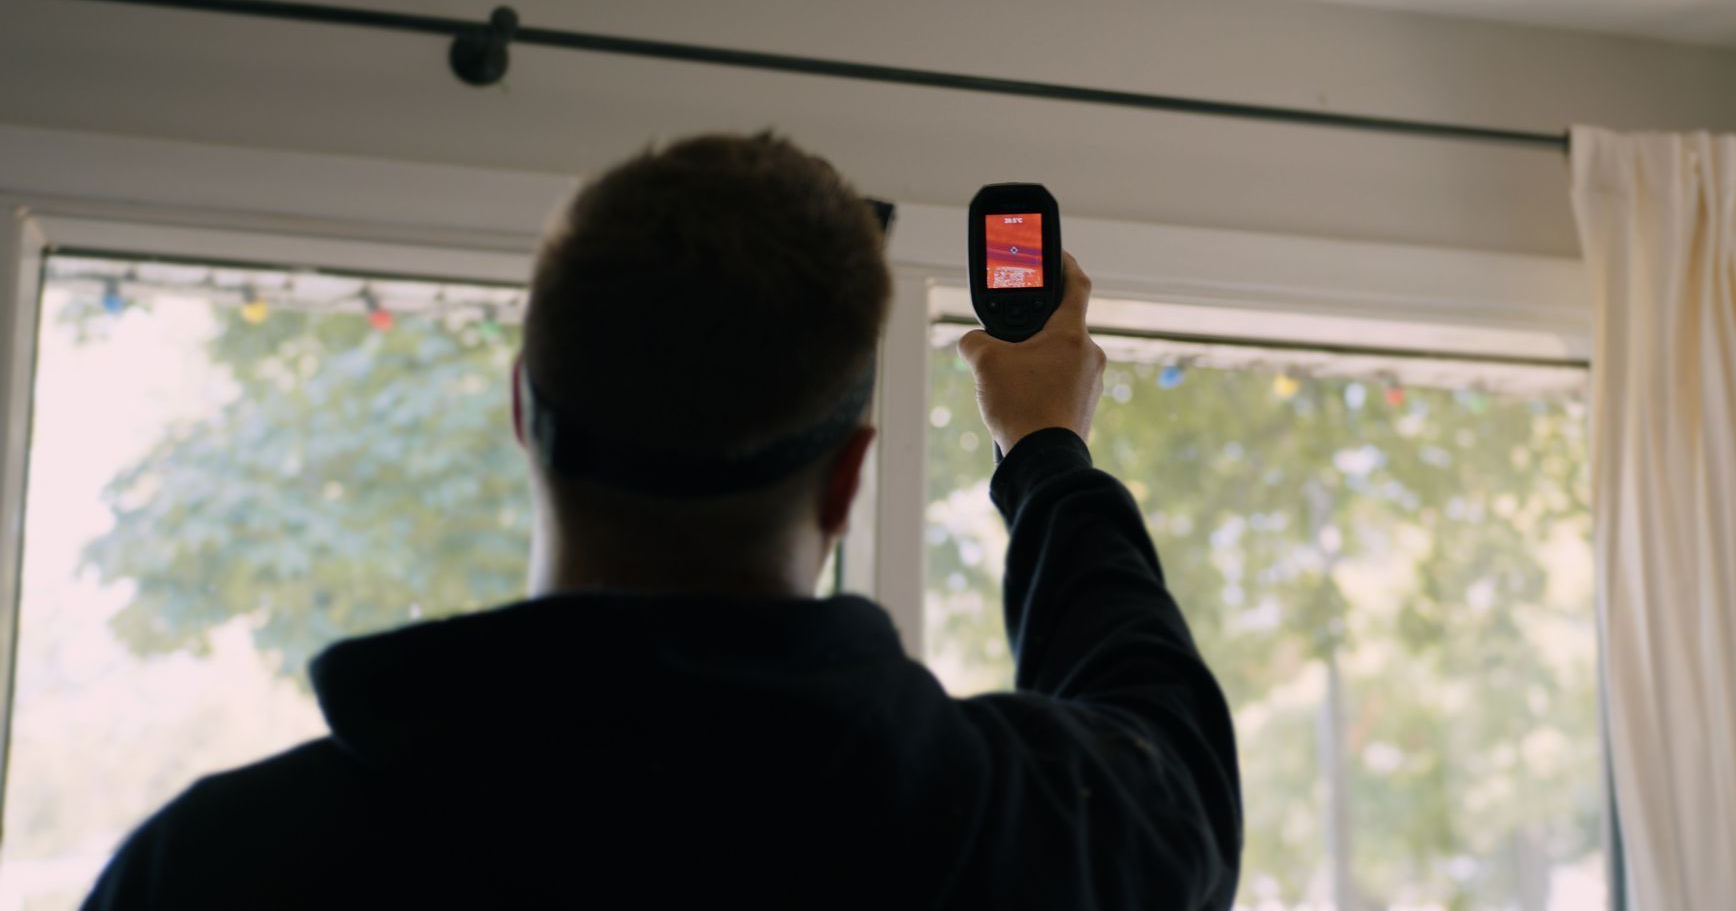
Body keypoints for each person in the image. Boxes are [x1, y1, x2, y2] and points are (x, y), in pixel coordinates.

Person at [83, 132, 1242, 909]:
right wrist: (1044, 448)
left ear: (525, 410)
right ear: (846, 481)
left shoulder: (216, 868)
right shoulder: (1017, 835)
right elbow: (1168, 750)